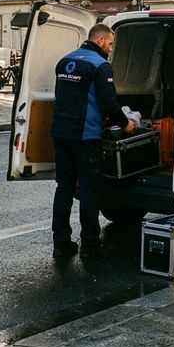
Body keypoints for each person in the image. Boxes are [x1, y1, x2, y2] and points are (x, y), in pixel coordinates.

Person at [51, 24, 135, 259]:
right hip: (86, 136)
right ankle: (90, 245)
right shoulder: (99, 65)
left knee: (64, 188)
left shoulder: (64, 61)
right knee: (89, 190)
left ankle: (61, 243)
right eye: (110, 43)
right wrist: (125, 123)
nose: (110, 48)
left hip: (61, 133)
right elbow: (109, 103)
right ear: (99, 40)